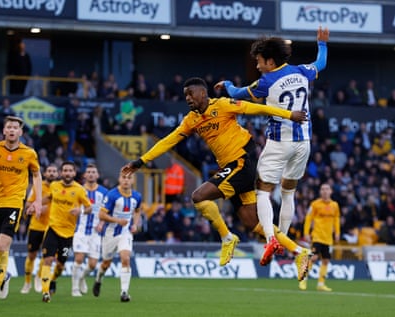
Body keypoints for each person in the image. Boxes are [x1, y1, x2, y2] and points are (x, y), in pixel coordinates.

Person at [121, 77, 312, 280]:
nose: (188, 98)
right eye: (185, 95)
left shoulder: (222, 105)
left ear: (203, 93)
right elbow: (168, 141)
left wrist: (289, 114)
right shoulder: (191, 119)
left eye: (190, 94)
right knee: (253, 223)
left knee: (198, 196)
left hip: (242, 161)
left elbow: (257, 109)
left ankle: (227, 237)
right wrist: (141, 161)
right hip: (232, 167)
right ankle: (300, 252)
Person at [215, 27, 329, 265]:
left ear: (269, 60)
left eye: (258, 61)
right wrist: (322, 44)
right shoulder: (301, 72)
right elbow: (321, 63)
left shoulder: (266, 81)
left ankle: (271, 238)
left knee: (263, 190)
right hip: (304, 143)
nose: (257, 66)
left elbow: (238, 93)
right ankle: (284, 238)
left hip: (279, 142)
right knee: (289, 192)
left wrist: (226, 83)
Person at [0, 116, 43, 306]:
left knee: (3, 248)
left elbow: (37, 176)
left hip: (14, 203)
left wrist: (37, 200)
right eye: (9, 127)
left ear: (20, 132)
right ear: (4, 131)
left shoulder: (29, 153)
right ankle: (4, 276)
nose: (12, 130)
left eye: (16, 127)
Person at [39, 161, 92, 303]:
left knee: (61, 264)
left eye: (70, 170)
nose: (67, 173)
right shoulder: (54, 186)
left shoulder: (80, 190)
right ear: (61, 172)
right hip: (52, 229)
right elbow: (49, 197)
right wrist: (36, 204)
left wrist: (79, 211)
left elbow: (89, 208)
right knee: (48, 260)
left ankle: (53, 279)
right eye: (65, 170)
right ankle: (45, 292)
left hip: (68, 234)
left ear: (74, 173)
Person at [92, 172, 141, 302]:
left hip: (125, 233)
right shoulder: (112, 195)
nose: (126, 180)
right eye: (123, 177)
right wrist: (117, 220)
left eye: (129, 177)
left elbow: (137, 211)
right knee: (106, 263)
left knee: (125, 258)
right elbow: (101, 215)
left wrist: (135, 224)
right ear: (119, 179)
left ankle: (124, 292)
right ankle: (98, 279)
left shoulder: (137, 196)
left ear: (133, 180)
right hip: (110, 234)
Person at [20, 164, 59, 294]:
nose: (52, 173)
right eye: (50, 171)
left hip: (51, 227)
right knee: (31, 255)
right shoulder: (38, 186)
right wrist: (37, 208)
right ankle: (27, 282)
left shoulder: (59, 188)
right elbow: (28, 204)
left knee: (48, 256)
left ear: (58, 174)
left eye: (54, 171)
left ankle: (38, 276)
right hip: (36, 226)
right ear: (45, 173)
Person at [71, 163, 108, 297]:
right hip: (80, 230)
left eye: (94, 172)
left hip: (96, 232)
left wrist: (102, 223)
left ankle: (81, 278)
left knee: (92, 265)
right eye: (89, 172)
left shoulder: (104, 192)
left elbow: (107, 210)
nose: (91, 174)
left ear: (97, 175)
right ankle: (74, 289)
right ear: (85, 175)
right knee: (79, 258)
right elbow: (73, 208)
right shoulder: (78, 189)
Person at [299, 183, 340, 291]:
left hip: (328, 239)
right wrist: (306, 233)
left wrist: (337, 232)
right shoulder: (315, 204)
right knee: (313, 258)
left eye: (327, 189)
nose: (325, 191)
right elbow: (308, 219)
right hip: (317, 236)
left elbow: (336, 219)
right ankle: (303, 279)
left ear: (331, 191)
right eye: (323, 189)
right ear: (320, 192)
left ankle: (321, 284)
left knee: (326, 260)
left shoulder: (335, 205)